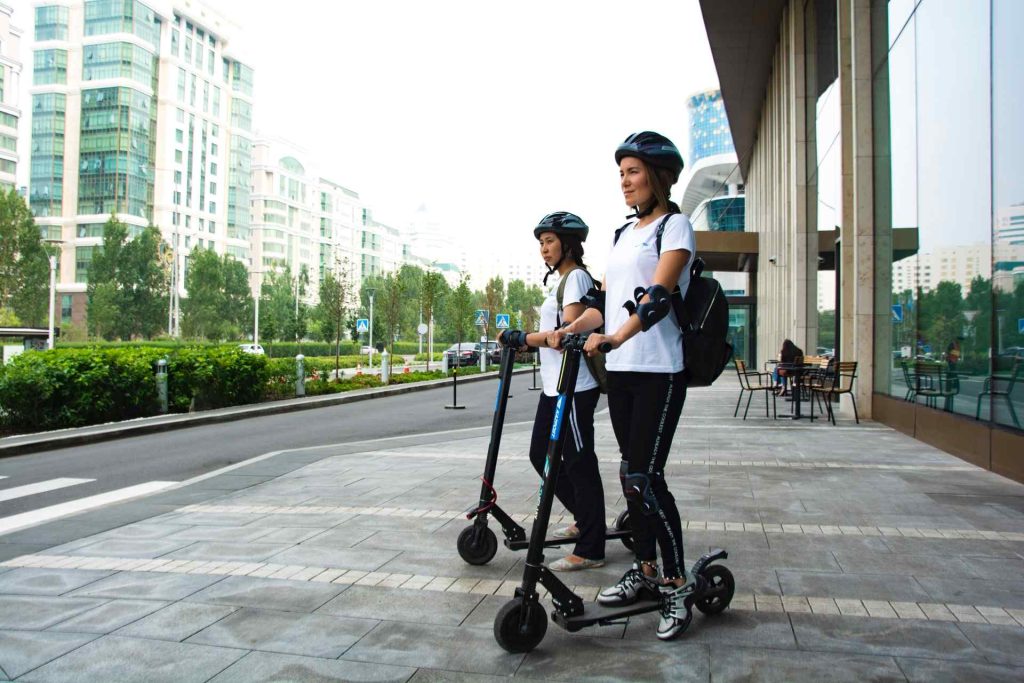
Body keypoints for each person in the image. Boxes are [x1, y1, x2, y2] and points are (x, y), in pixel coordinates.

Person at [557, 131, 697, 640]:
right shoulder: (622, 235)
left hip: (660, 370)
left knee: (646, 479)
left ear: (657, 177)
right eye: (621, 173)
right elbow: (604, 301)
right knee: (628, 477)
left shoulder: (676, 226)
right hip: (623, 371)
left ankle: (677, 583)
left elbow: (658, 296)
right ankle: (647, 569)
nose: (625, 181)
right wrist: (576, 329)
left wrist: (615, 336)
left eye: (633, 172)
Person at [502, 211, 606, 571]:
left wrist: (525, 338)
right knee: (539, 454)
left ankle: (592, 546)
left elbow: (565, 338)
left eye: (549, 241)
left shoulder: (575, 278)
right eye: (541, 243)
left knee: (579, 461)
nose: (543, 249)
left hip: (575, 387)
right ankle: (585, 517)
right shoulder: (561, 281)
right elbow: (551, 336)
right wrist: (528, 343)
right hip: (555, 387)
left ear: (568, 244)